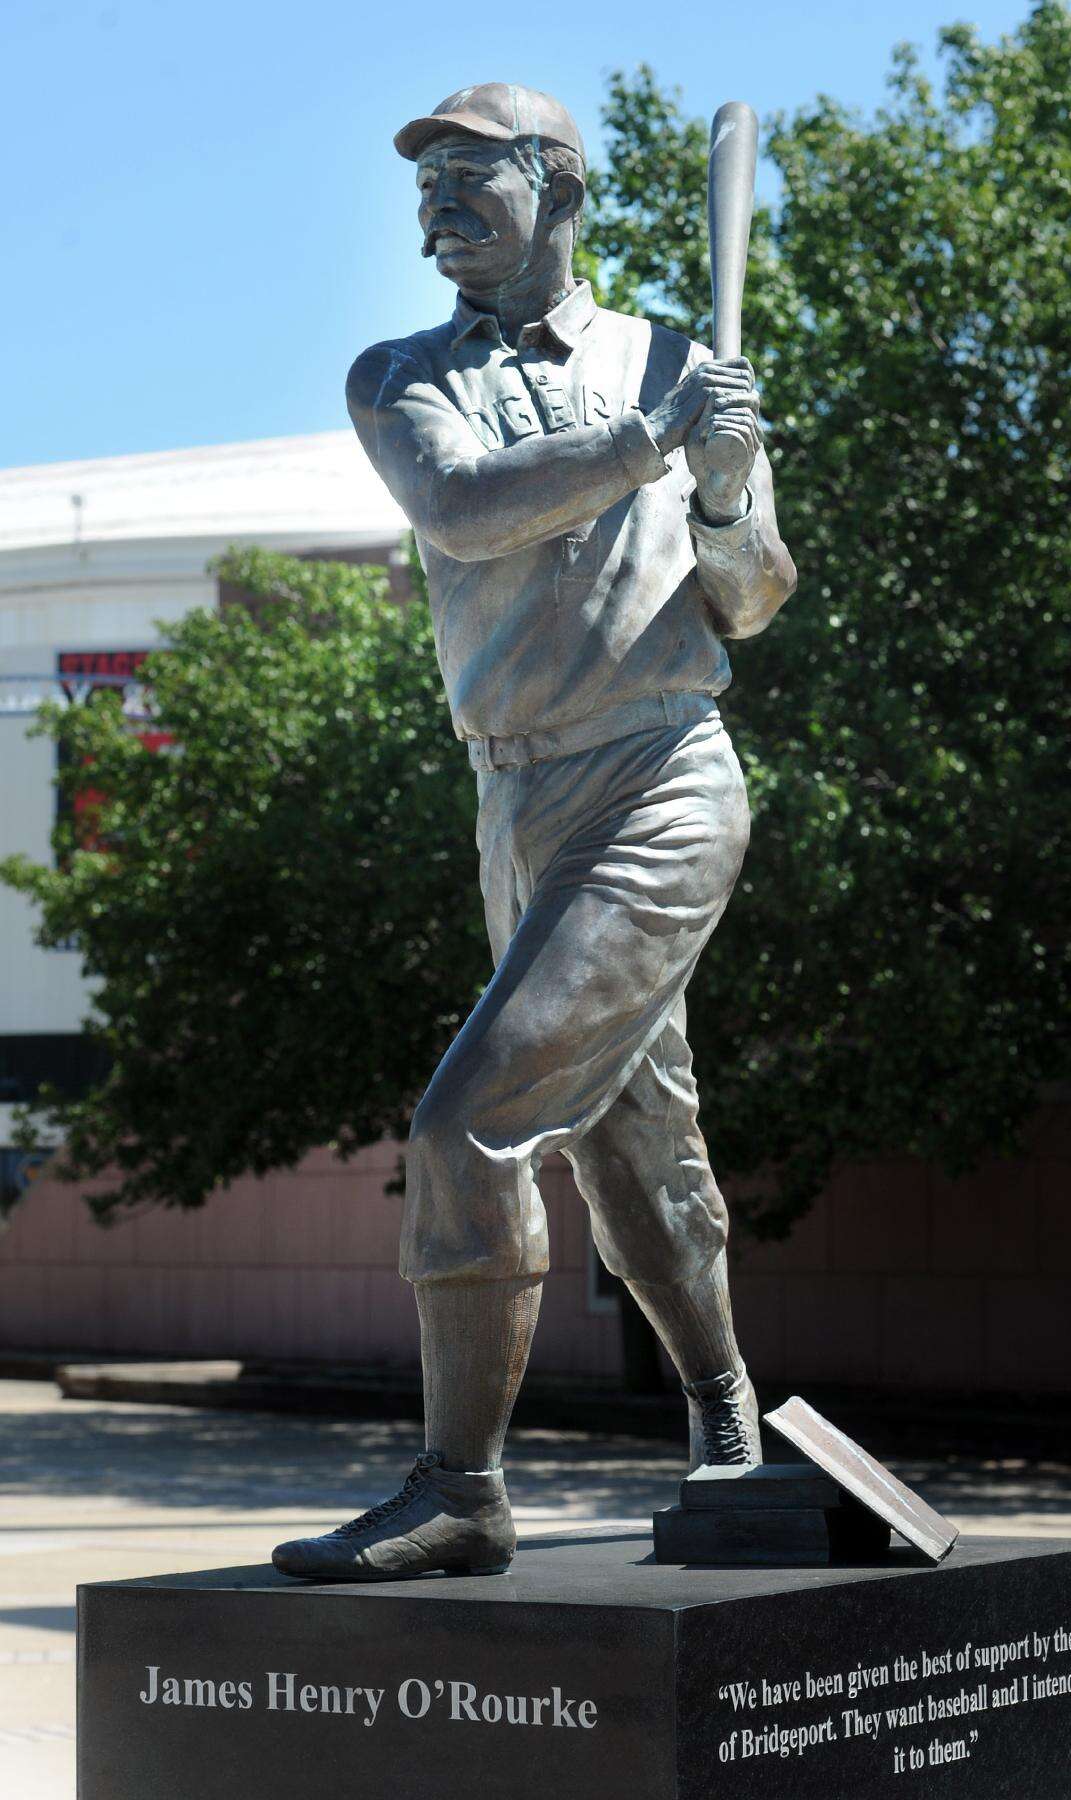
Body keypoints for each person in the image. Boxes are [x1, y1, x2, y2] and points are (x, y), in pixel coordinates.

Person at [273, 82, 796, 1581]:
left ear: (557, 186)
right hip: (516, 797)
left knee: (469, 1126)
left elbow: (752, 600)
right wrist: (653, 439)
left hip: (662, 775)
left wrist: (726, 491)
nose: (435, 202)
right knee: (633, 1135)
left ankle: (462, 1492)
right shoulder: (401, 375)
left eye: (468, 174)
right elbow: (460, 508)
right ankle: (725, 1409)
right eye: (422, 182)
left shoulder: (674, 360)